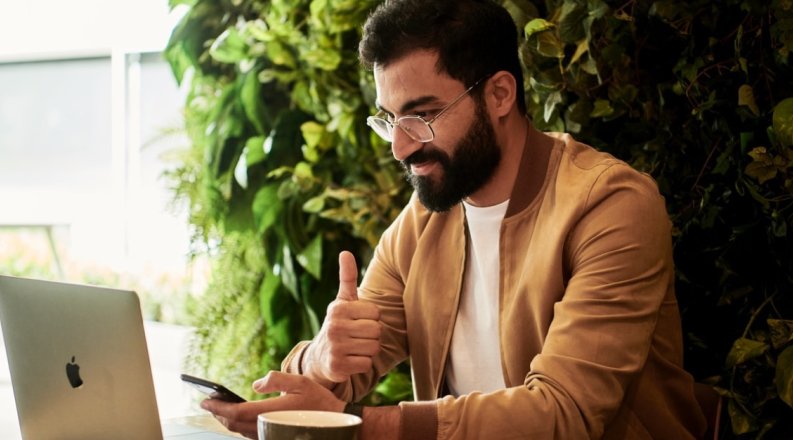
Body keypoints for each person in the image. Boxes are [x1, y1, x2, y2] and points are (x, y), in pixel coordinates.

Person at [200, 0, 708, 438]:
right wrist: (324, 358)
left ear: (500, 94)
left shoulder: (610, 205)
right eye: (390, 120)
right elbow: (336, 374)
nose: (401, 147)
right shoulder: (423, 222)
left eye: (422, 116)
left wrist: (358, 427)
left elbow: (564, 413)